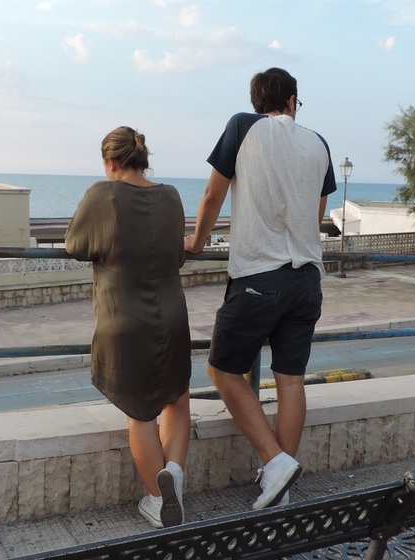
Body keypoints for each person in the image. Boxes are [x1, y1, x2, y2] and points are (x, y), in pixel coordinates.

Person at [184, 68, 337, 510]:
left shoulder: (241, 127)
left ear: (257, 101)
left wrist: (196, 243)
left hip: (258, 276)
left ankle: (274, 461)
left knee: (223, 370)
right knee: (290, 380)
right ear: (291, 101)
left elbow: (212, 197)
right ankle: (279, 486)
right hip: (307, 279)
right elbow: (317, 214)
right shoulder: (319, 143)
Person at [65, 126, 191, 529]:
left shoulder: (102, 195)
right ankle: (173, 474)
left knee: (140, 414)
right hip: (173, 316)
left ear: (111, 162)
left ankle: (157, 499)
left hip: (124, 320)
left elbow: (75, 245)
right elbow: (177, 254)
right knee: (177, 400)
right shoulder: (171, 196)